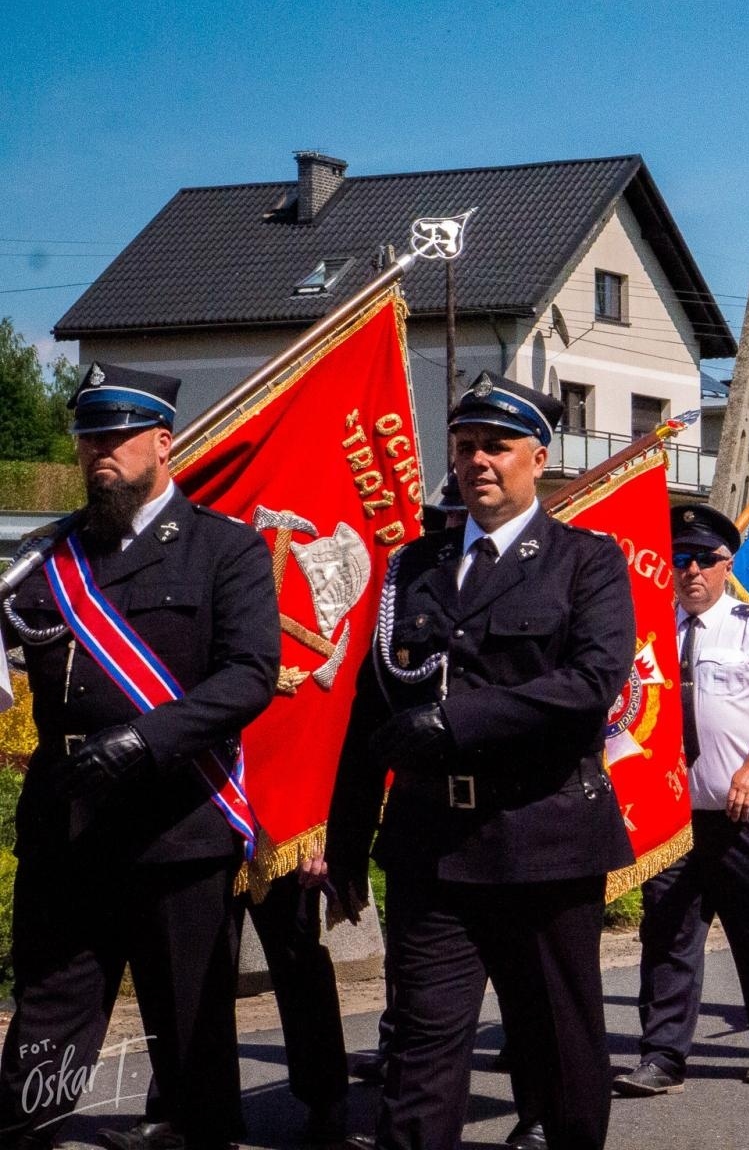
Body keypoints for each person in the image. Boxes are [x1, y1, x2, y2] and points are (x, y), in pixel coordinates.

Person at [323, 371, 636, 1150]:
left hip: (544, 839)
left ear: (539, 457)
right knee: (420, 1054)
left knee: (560, 1048)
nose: (478, 461)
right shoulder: (413, 567)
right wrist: (346, 840)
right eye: (465, 447)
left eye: (496, 446)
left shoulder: (584, 562)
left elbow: (591, 684)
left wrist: (455, 721)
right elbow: (373, 710)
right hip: (432, 846)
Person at [0, 363, 280, 1150]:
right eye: (89, 437)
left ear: (163, 442)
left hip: (175, 825)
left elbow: (249, 674)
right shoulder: (44, 558)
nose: (101, 452)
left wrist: (146, 739)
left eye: (118, 437)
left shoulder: (224, 549)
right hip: (68, 825)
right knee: (47, 1016)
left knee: (189, 1027)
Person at [614, 504, 749, 1097]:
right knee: (667, 932)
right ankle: (662, 1055)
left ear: (727, 565)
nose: (691, 570)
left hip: (743, 813)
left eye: (704, 559)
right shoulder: (650, 628)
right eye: (681, 559)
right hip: (673, 814)